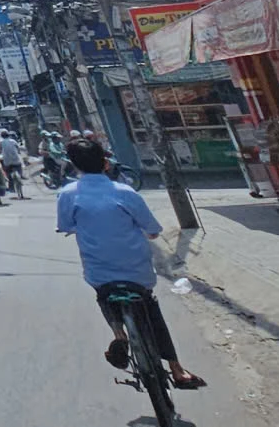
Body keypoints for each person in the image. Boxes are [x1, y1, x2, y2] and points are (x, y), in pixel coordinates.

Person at [56, 138, 205, 391]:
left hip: (99, 270)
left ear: (74, 166)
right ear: (105, 163)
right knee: (148, 304)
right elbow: (153, 229)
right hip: (136, 269)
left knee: (104, 295)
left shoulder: (68, 195)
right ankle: (177, 369)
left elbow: (65, 226)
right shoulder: (125, 192)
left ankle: (119, 335)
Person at [0, 128, 28, 199]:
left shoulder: (1, 142)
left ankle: (11, 186)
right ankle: (21, 176)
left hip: (7, 161)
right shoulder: (13, 141)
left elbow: (0, 151)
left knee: (8, 173)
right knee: (19, 167)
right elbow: (18, 148)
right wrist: (19, 152)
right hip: (16, 160)